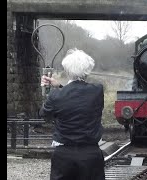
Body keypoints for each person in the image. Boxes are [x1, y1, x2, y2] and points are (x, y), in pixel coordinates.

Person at [39, 48, 105, 180]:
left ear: (67, 70)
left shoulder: (56, 96)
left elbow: (44, 115)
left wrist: (50, 92)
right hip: (91, 154)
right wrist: (60, 87)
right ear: (88, 69)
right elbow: (79, 96)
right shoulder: (97, 91)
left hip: (64, 156)